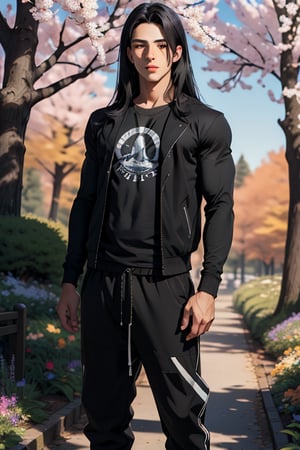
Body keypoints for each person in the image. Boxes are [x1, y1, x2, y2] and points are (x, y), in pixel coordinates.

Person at [57, 3, 235, 449]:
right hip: (103, 285)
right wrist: (69, 281)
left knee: (184, 422)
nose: (150, 55)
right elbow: (85, 203)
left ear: (176, 52)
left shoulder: (204, 123)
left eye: (160, 45)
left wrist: (208, 288)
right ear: (129, 54)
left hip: (167, 289)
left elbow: (221, 205)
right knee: (103, 421)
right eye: (140, 45)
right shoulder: (104, 124)